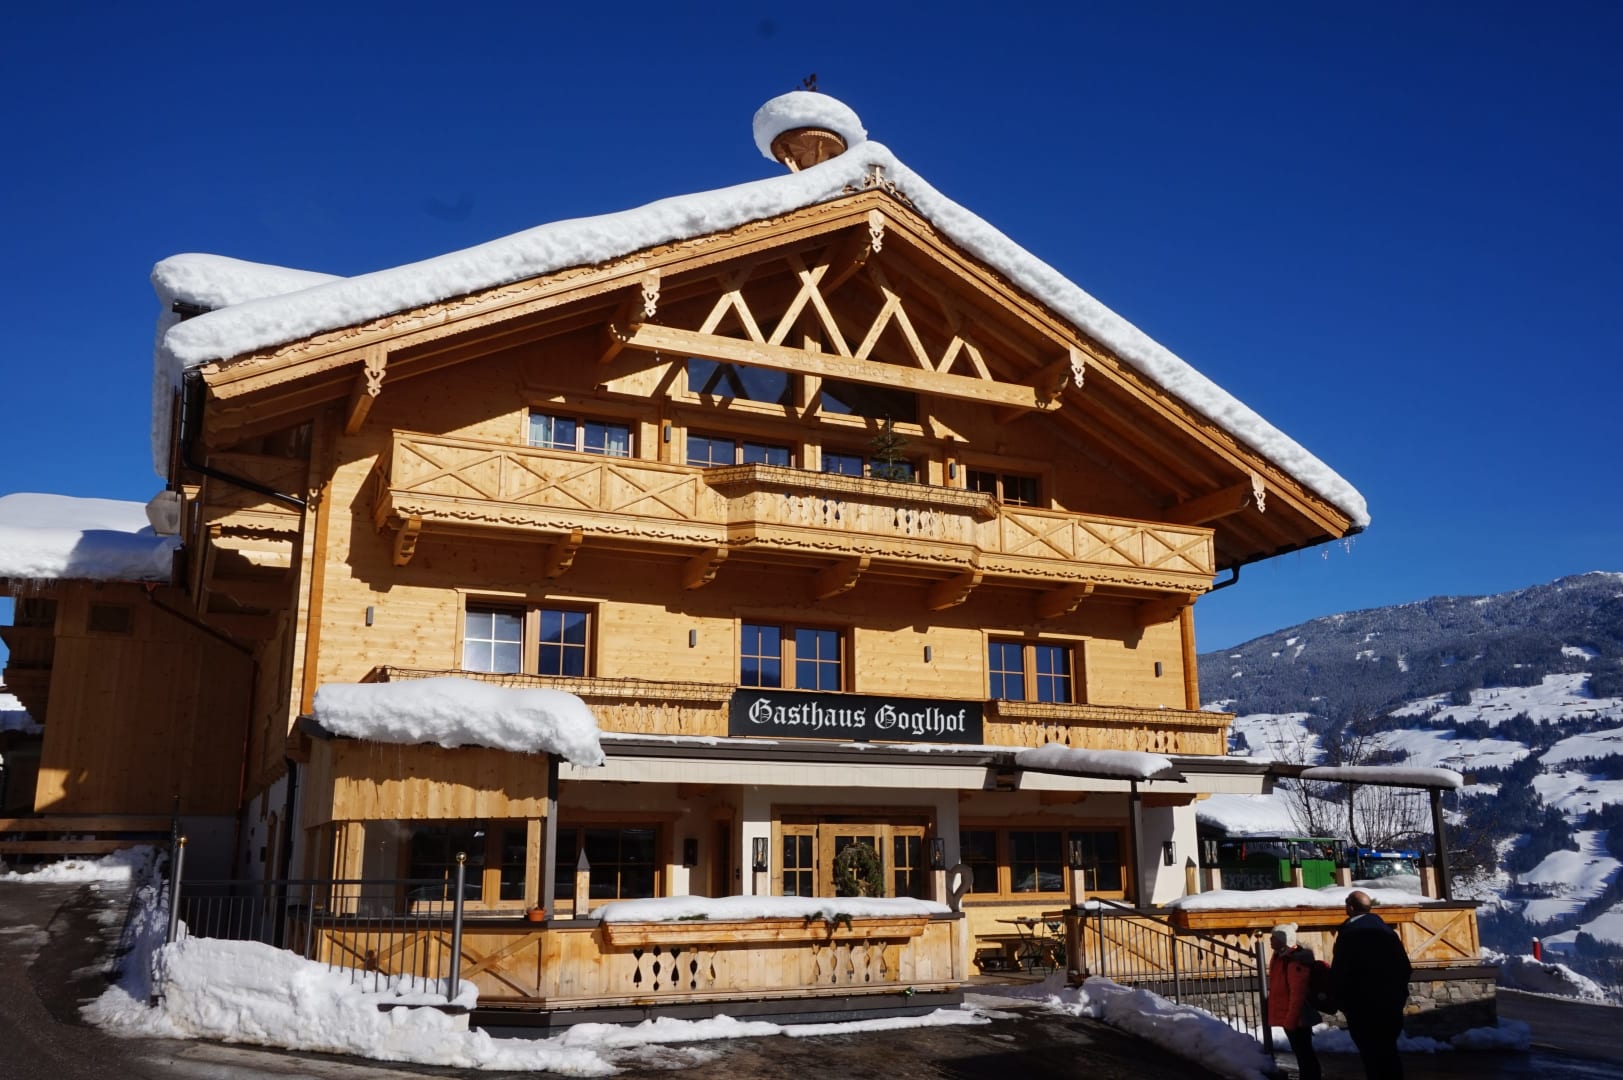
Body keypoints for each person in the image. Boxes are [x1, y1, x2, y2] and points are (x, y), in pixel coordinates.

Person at [1331, 889, 1412, 1079]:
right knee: (1389, 1054)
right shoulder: (1388, 933)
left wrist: (1343, 1002)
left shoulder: (1350, 935)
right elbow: (1405, 968)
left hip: (1361, 1007)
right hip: (1390, 1006)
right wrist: (1398, 997)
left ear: (1350, 908)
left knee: (1371, 1057)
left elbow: (1340, 973)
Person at [1267, 922, 1322, 1080]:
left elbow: (1298, 993)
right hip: (1290, 1016)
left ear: (1283, 940)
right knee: (1301, 1053)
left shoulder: (1294, 961)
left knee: (1304, 1054)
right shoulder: (1280, 958)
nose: (1270, 940)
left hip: (1297, 1017)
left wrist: (1290, 1020)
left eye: (1274, 937)